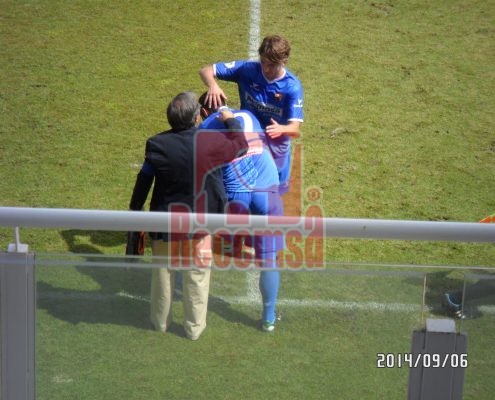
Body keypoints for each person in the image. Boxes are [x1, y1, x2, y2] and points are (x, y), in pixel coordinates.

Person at [128, 91, 247, 340]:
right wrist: (229, 118)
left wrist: (135, 214)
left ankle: (159, 323)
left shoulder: (156, 144)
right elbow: (240, 146)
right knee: (197, 274)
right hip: (201, 223)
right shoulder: (211, 141)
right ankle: (193, 328)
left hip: (164, 222)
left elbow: (143, 182)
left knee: (163, 273)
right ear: (196, 117)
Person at [198, 95, 284, 332]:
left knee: (230, 231)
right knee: (269, 261)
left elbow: (207, 172)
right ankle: (268, 318)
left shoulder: (205, 127)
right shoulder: (250, 116)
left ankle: (233, 242)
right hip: (267, 188)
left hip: (236, 196)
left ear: (205, 112)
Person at [199, 34, 304, 195]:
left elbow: (294, 128)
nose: (266, 69)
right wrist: (213, 85)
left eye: (272, 65)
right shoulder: (247, 69)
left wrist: (281, 129)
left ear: (284, 61)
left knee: (274, 192)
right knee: (243, 186)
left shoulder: (292, 87)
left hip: (276, 143)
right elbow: (205, 70)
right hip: (249, 138)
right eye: (263, 62)